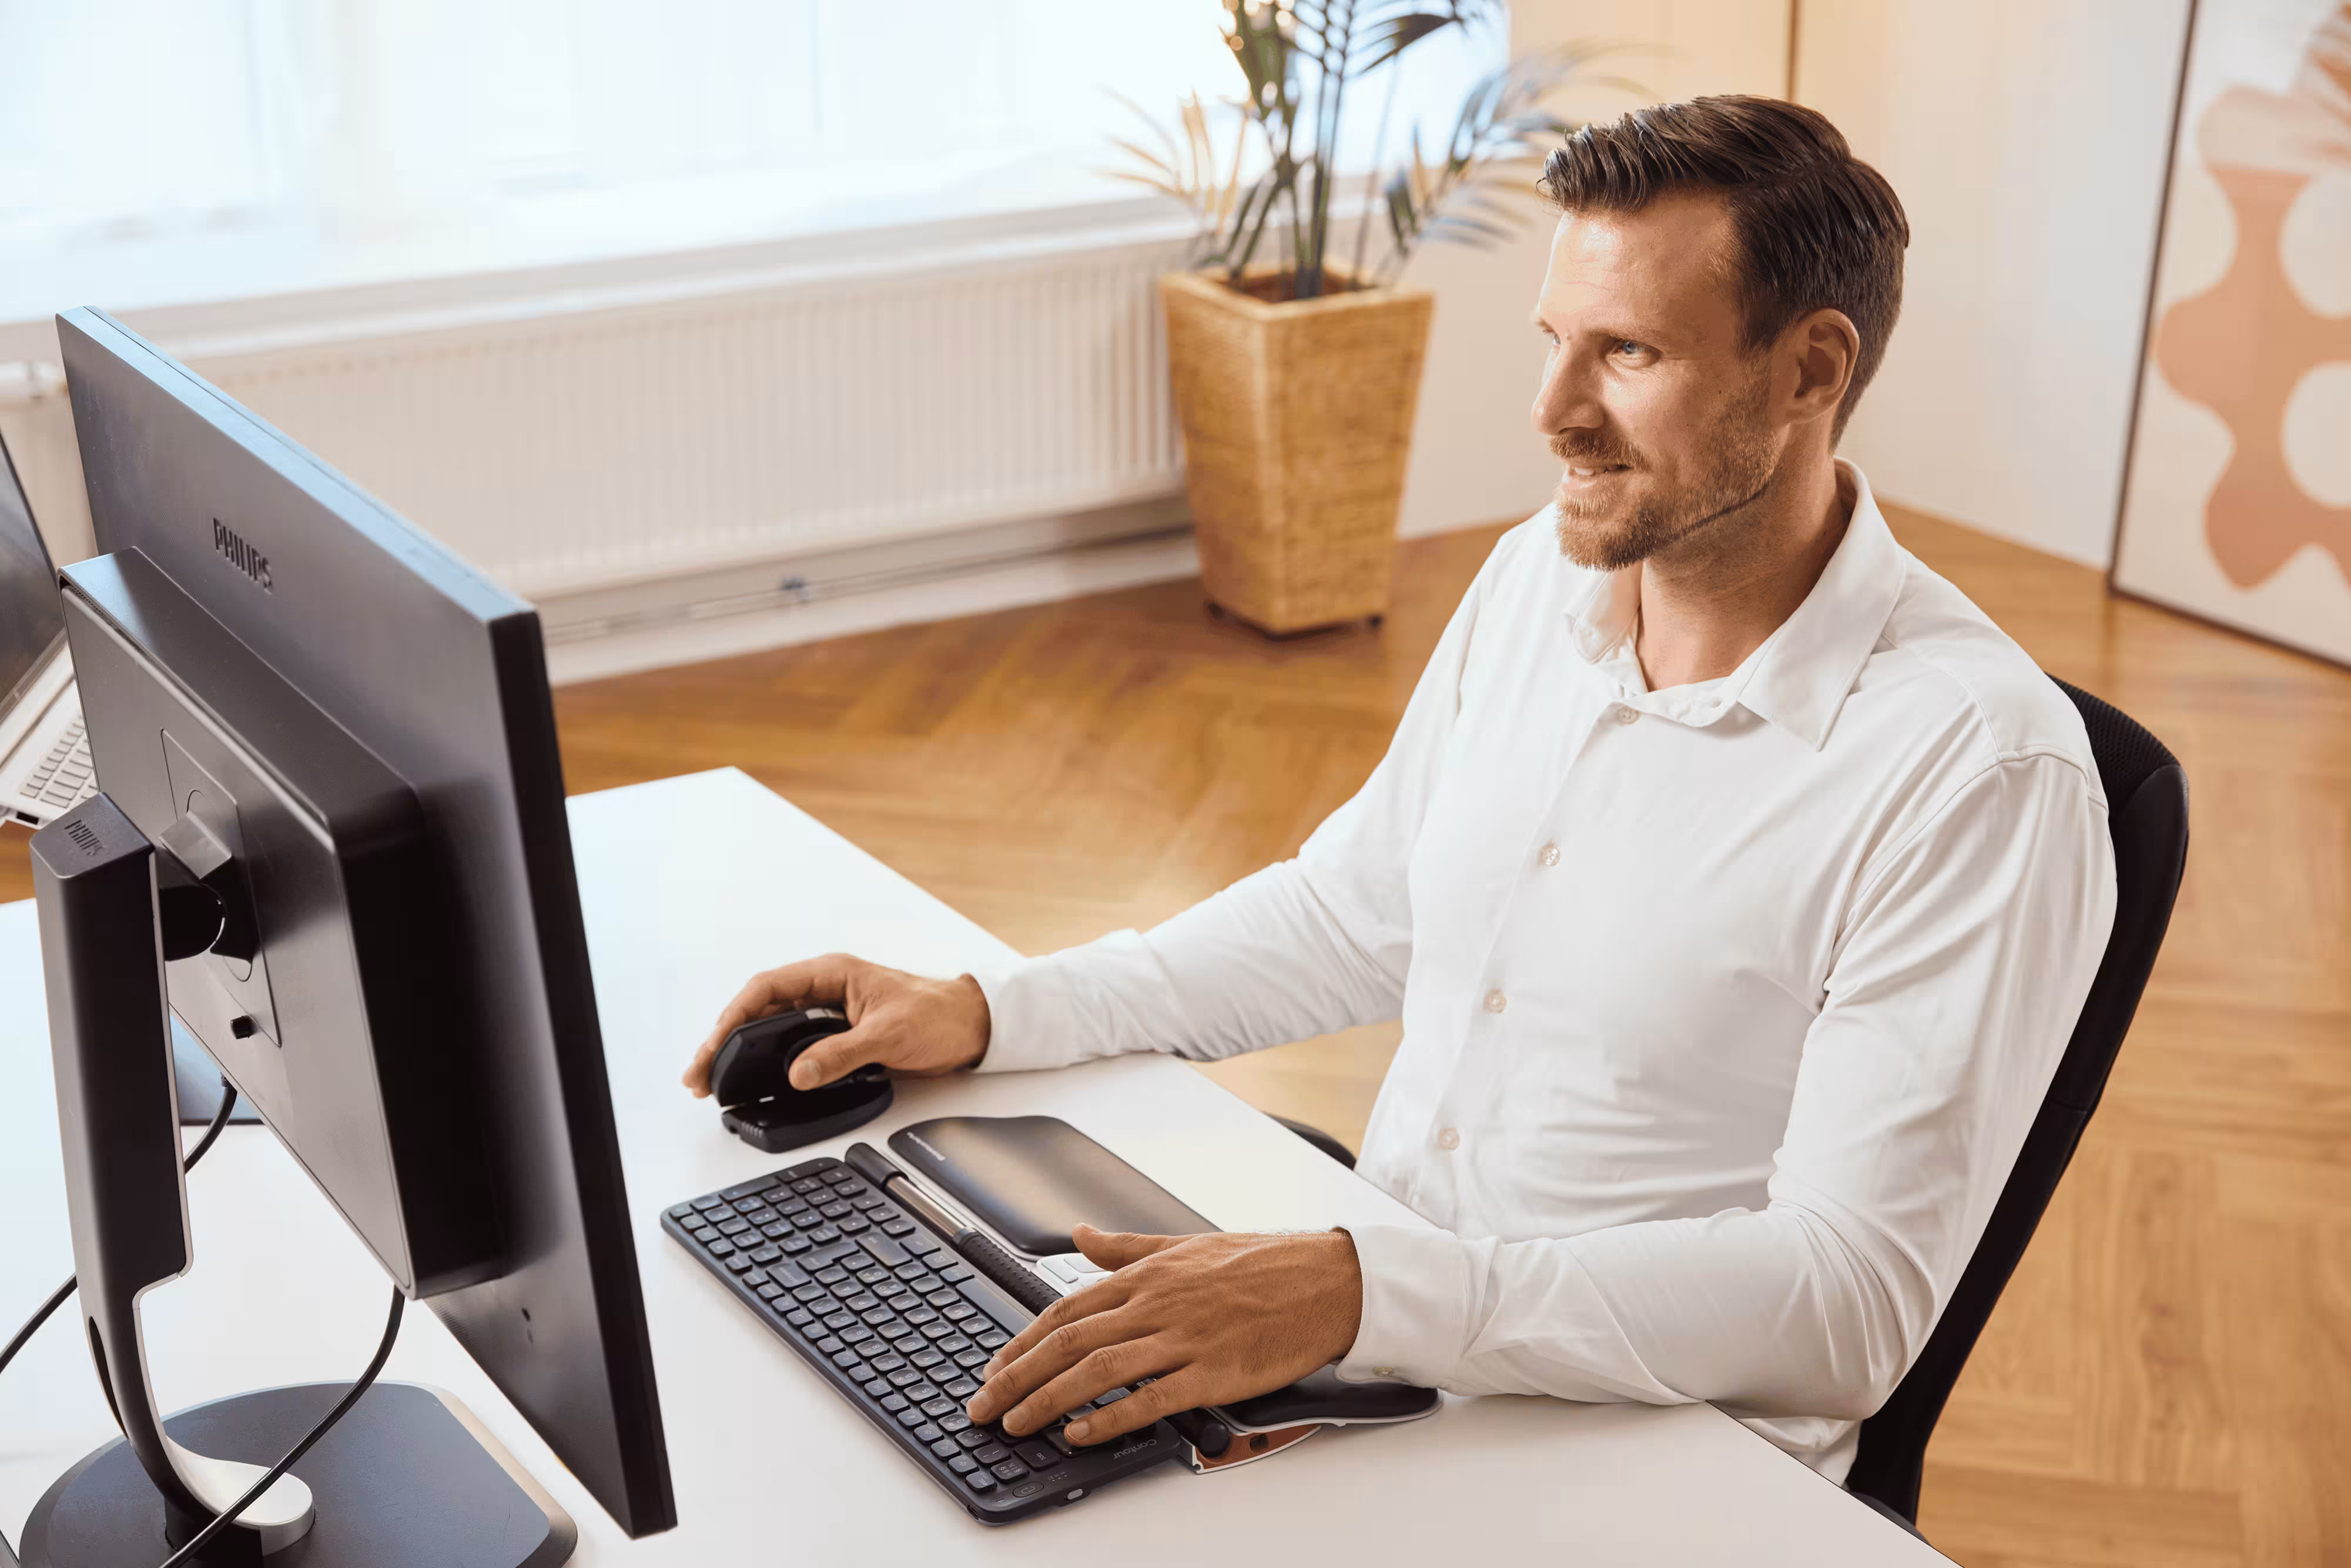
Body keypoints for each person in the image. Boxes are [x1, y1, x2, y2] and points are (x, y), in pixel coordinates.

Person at [682, 95, 2116, 1483]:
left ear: (1810, 371)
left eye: (1624, 354)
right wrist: (998, 1010)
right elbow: (1355, 911)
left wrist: (1362, 1295)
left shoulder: (1976, 772)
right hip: (1379, 1347)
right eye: (1555, 340)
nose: (1551, 411)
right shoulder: (1536, 582)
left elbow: (1844, 1302)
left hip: (1650, 1458)